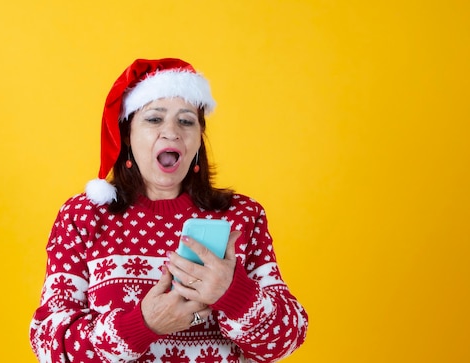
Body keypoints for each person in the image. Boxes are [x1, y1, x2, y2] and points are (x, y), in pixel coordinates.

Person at [29, 58, 308, 363]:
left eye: (186, 121)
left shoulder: (242, 216)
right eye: (154, 119)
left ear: (198, 138)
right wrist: (141, 325)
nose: (172, 132)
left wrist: (234, 294)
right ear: (127, 135)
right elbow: (49, 345)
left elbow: (286, 340)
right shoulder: (83, 216)